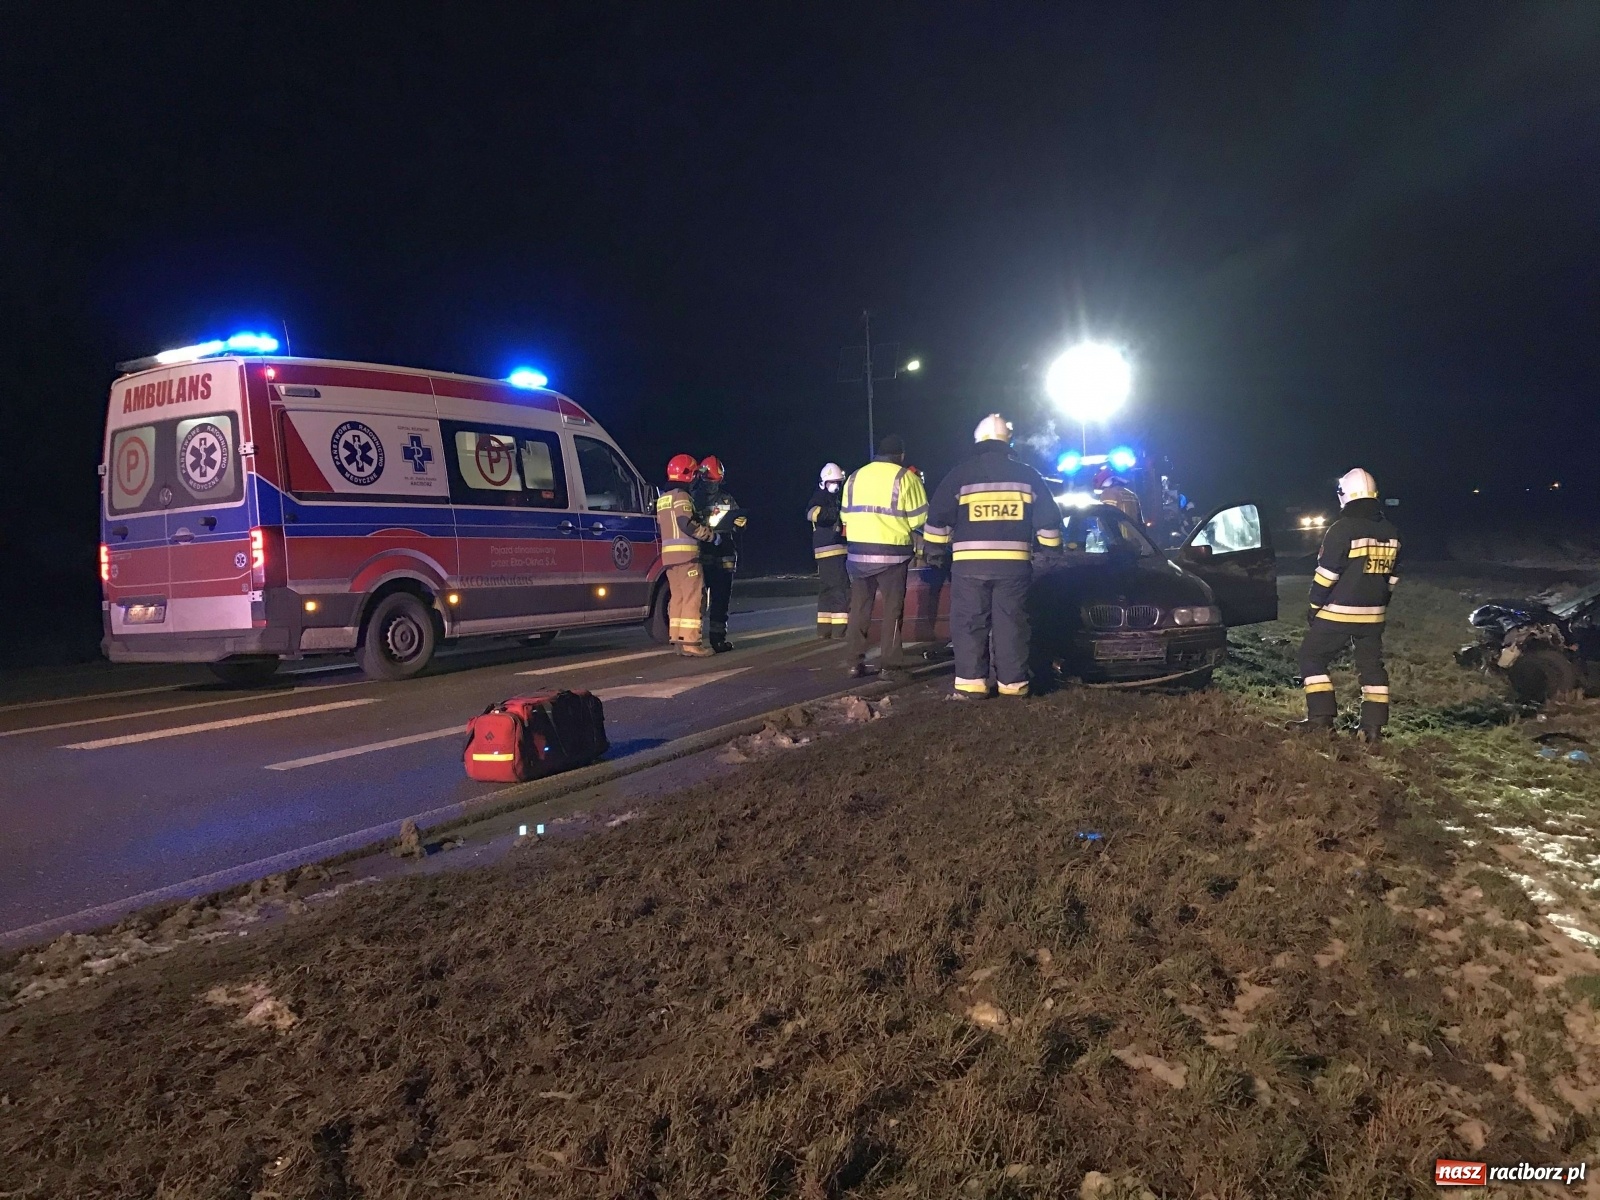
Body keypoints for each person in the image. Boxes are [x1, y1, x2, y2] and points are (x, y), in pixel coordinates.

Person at [924, 414, 1063, 698]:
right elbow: (1049, 521)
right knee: (1011, 623)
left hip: (969, 568)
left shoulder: (960, 475)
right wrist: (1050, 552)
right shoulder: (1027, 476)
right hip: (1014, 568)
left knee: (970, 623)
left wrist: (936, 552)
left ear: (978, 442)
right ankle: (1013, 685)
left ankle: (971, 684)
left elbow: (937, 517)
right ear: (1006, 443)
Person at [1292, 468, 1401, 743]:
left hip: (1338, 612)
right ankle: (1372, 729)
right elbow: (1392, 577)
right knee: (1372, 667)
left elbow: (1326, 575)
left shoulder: (1341, 530)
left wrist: (1315, 606)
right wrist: (1381, 602)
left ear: (1345, 496)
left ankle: (1321, 718)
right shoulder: (1391, 531)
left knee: (1311, 656)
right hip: (1374, 614)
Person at [840, 433, 927, 677]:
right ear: (900, 455)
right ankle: (890, 663)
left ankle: (853, 662)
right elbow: (920, 519)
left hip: (858, 555)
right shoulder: (905, 477)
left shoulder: (855, 477)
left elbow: (845, 516)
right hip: (892, 555)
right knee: (892, 610)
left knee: (858, 609)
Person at [656, 453, 717, 657]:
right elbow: (685, 523)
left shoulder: (663, 498)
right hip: (687, 556)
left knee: (678, 598)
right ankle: (691, 642)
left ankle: (678, 639)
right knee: (693, 598)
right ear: (688, 475)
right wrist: (709, 536)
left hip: (669, 559)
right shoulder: (682, 497)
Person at [692, 456, 746, 652]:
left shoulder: (727, 499)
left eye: (715, 482)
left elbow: (739, 521)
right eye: (709, 481)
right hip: (703, 554)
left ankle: (718, 638)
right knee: (696, 600)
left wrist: (740, 524)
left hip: (725, 555)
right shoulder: (692, 498)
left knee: (721, 600)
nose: (712, 485)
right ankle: (693, 638)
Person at [807, 462, 849, 638]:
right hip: (832, 549)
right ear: (823, 482)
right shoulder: (820, 498)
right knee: (840, 589)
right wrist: (837, 514)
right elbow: (813, 514)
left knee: (826, 590)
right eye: (832, 482)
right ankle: (841, 630)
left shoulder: (835, 499)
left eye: (838, 482)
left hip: (827, 549)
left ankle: (824, 629)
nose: (836, 486)